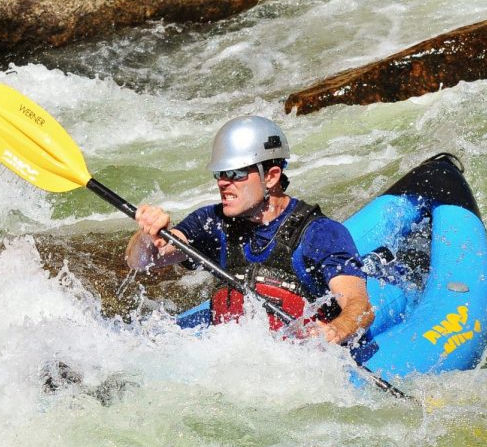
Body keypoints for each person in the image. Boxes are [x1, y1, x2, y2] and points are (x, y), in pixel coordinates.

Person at [125, 116, 373, 344]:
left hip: (298, 359)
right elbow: (142, 261)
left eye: (236, 172)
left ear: (271, 177)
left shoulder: (319, 233)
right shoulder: (211, 222)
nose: (223, 182)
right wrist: (147, 234)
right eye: (220, 173)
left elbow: (358, 305)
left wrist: (336, 330)